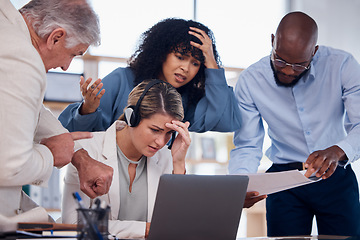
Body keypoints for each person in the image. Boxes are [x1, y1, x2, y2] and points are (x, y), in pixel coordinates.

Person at [229, 11, 360, 237]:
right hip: (283, 183)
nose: (288, 70)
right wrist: (240, 185)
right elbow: (248, 144)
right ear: (272, 41)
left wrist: (338, 151)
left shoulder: (342, 65)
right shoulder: (251, 81)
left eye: (299, 65)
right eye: (280, 60)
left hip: (336, 174)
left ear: (314, 52)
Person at [0, 0, 113, 219]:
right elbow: (11, 166)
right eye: (73, 54)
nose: (66, 67)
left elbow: (24, 106)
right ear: (56, 37)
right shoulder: (22, 60)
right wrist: (51, 155)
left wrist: (78, 154)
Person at [58, 18, 241, 133]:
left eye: (195, 63)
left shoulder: (185, 98)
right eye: (180, 57)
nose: (186, 68)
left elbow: (225, 121)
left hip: (154, 181)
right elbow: (71, 131)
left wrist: (212, 65)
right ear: (161, 53)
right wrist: (88, 109)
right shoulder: (121, 80)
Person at [62, 79, 191, 239]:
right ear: (132, 118)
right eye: (155, 130)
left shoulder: (165, 157)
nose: (161, 142)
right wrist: (144, 230)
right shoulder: (86, 151)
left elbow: (175, 227)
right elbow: (72, 224)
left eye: (169, 133)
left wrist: (178, 163)